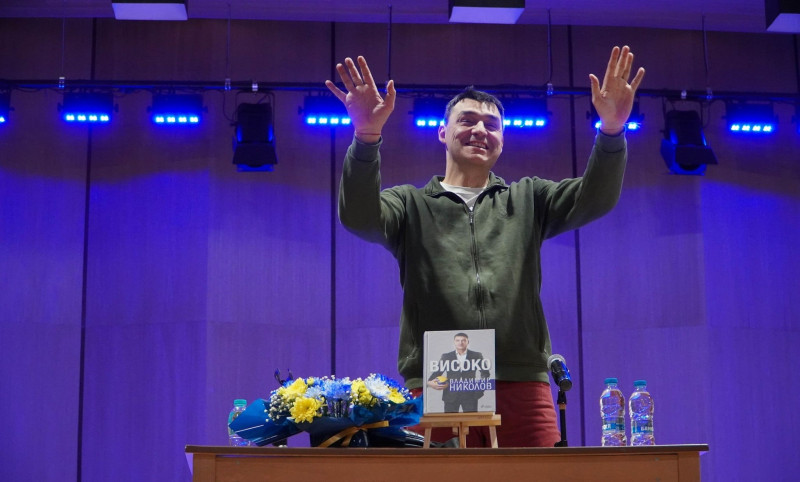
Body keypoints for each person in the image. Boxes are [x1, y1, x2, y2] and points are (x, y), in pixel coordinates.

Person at [326, 46, 645, 447]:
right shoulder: (410, 204)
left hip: (521, 382)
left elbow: (595, 199)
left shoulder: (528, 198)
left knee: (539, 477)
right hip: (440, 378)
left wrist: (612, 130)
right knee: (444, 478)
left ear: (502, 141)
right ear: (442, 133)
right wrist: (366, 137)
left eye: (492, 125)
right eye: (467, 120)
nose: (480, 130)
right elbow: (358, 216)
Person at [426, 332, 492, 413]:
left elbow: (485, 374)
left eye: (463, 340)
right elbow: (437, 373)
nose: (460, 342)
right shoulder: (446, 356)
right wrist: (429, 383)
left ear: (468, 342)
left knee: (471, 420)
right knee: (450, 420)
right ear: (454, 342)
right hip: (450, 395)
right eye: (457, 340)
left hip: (471, 395)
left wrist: (480, 390)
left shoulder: (476, 355)